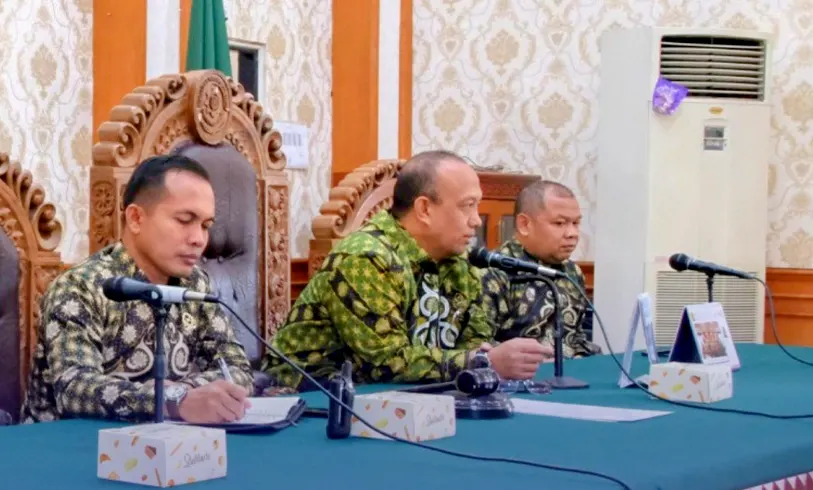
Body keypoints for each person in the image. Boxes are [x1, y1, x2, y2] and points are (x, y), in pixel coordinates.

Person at [263, 150, 551, 391]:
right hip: (315, 396)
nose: (476, 220)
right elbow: (385, 363)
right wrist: (482, 362)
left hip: (408, 397)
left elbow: (472, 340)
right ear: (424, 209)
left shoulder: (458, 261)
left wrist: (489, 356)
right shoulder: (366, 258)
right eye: (467, 206)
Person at [21, 155, 254, 424]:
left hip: (171, 446)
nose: (198, 239)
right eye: (184, 220)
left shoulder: (195, 284)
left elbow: (237, 370)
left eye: (205, 226)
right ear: (135, 218)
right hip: (71, 448)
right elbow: (75, 388)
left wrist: (186, 396)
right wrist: (174, 399)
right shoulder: (80, 287)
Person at [482, 180, 601, 358]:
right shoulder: (493, 272)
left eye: (575, 223)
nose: (572, 233)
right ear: (524, 225)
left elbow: (575, 338)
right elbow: (481, 347)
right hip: (518, 381)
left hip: (570, 377)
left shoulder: (571, 272)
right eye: (560, 223)